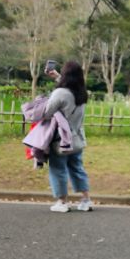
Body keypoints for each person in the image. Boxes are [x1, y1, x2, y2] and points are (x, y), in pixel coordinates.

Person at [42, 60, 93, 212]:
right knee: (77, 168)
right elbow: (69, 91)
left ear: (66, 74)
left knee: (58, 169)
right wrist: (57, 77)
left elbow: (46, 113)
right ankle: (86, 200)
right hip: (77, 139)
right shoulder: (82, 93)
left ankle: (62, 202)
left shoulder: (60, 93)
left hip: (61, 140)